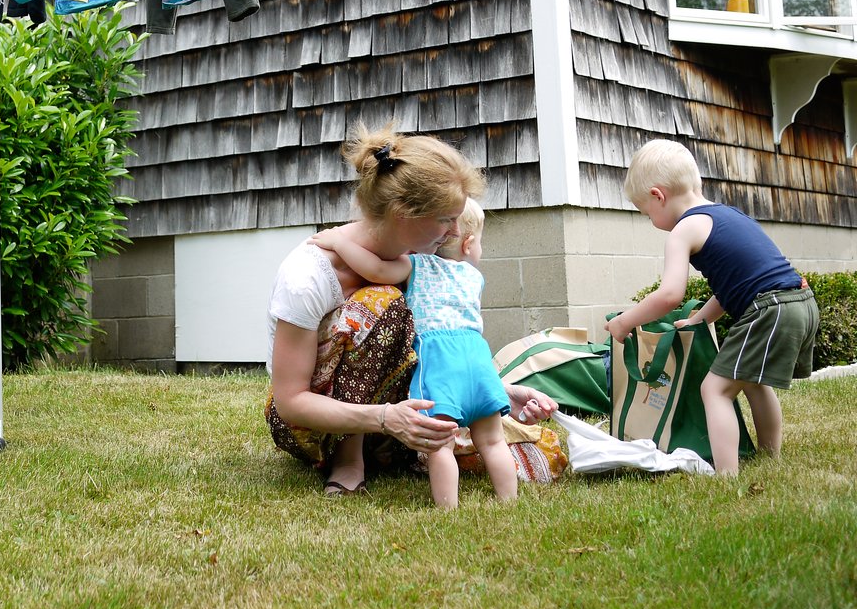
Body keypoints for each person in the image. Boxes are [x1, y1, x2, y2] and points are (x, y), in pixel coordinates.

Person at [265, 124, 556, 496]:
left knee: (530, 455)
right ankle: (348, 459)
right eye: (445, 219)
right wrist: (386, 418)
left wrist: (497, 392)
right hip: (317, 425)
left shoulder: (422, 265)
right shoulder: (306, 277)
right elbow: (290, 403)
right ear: (403, 212)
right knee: (383, 303)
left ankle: (396, 450)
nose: (454, 234)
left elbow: (436, 348)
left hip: (399, 415)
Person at [606, 139, 820, 475]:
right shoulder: (728, 215)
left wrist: (624, 323)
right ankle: (769, 457)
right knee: (753, 381)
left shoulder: (683, 230)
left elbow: (669, 295)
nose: (651, 220)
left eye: (646, 212)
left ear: (658, 196)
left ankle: (726, 475)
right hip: (800, 301)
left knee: (715, 389)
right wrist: (699, 319)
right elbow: (733, 287)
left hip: (770, 308)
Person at [311, 197, 516, 508]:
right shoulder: (474, 277)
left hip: (440, 361)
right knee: (493, 440)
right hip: (478, 357)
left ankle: (448, 507)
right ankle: (508, 500)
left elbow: (377, 269)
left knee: (440, 445)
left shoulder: (417, 266)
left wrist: (339, 242)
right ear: (469, 244)